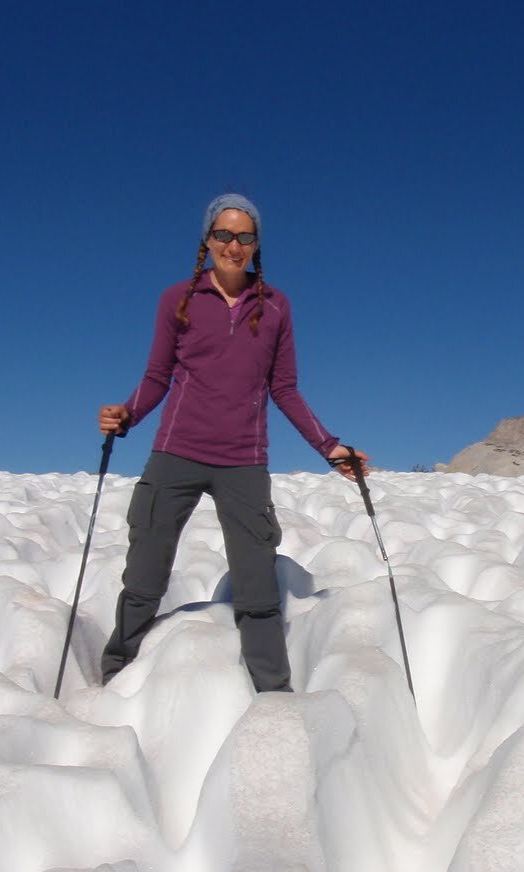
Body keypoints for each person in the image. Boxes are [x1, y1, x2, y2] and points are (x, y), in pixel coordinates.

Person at [97, 193, 368, 693]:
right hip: (175, 453)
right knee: (144, 575)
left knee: (257, 585)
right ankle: (115, 677)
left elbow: (284, 388)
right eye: (224, 234)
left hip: (243, 461)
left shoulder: (276, 308)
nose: (233, 245)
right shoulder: (177, 300)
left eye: (244, 236)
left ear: (256, 244)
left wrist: (329, 448)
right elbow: (157, 375)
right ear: (207, 240)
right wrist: (128, 414)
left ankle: (272, 692)